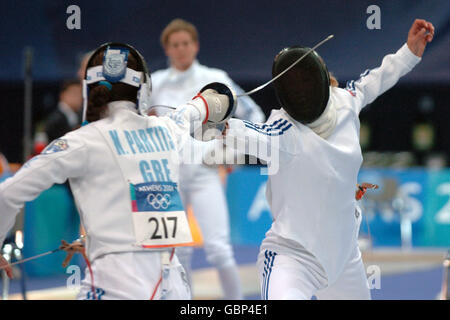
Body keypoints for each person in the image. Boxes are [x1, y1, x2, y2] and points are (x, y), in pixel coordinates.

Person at [0, 42, 234, 300]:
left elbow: (8, 193)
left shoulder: (80, 142)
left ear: (90, 88)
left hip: (115, 284)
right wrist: (215, 100)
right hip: (173, 284)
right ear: (143, 88)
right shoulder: (168, 128)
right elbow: (212, 102)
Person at [223, 19, 434, 299]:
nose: (303, 90)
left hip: (344, 257)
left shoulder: (347, 100)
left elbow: (381, 76)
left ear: (323, 79)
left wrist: (410, 51)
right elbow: (245, 133)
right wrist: (209, 117)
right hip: (293, 259)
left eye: (306, 81)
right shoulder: (282, 129)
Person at [150, 18, 265, 299]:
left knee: (219, 249)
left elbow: (254, 115)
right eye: (174, 45)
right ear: (167, 49)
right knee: (177, 252)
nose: (181, 49)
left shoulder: (215, 79)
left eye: (185, 43)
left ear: (195, 45)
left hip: (204, 173)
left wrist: (233, 153)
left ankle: (237, 305)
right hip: (168, 176)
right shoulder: (154, 83)